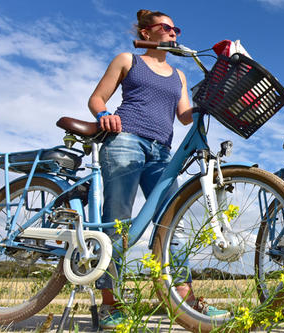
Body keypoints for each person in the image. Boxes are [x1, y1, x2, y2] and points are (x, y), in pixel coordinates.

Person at [87, 9, 227, 329]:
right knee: (119, 220)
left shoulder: (178, 75)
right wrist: (103, 115)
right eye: (166, 28)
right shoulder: (128, 60)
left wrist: (209, 101)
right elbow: (97, 98)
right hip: (125, 140)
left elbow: (184, 115)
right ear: (146, 33)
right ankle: (110, 303)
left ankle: (183, 300)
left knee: (172, 223)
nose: (173, 33)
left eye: (176, 29)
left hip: (162, 152)